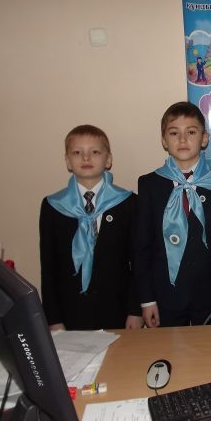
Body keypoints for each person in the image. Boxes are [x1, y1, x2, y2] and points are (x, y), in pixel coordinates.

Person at [133, 101, 211, 327]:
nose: (182, 139)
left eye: (191, 132)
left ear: (204, 138)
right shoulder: (150, 184)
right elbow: (143, 247)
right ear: (164, 140)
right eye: (174, 133)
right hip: (165, 295)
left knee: (210, 349)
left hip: (210, 296)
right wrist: (147, 299)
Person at [40, 125, 143, 330]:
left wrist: (135, 311)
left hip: (117, 311)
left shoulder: (129, 203)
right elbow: (49, 268)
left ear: (108, 159)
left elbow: (137, 262)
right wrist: (53, 319)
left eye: (95, 152)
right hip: (70, 313)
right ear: (68, 161)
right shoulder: (53, 206)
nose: (86, 158)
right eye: (77, 152)